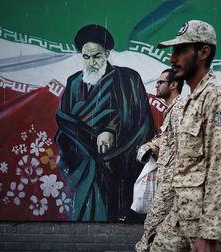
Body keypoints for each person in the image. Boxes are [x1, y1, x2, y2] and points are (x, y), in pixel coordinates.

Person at [149, 20, 221, 252]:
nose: (172, 59)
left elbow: (220, 166)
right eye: (173, 51)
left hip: (203, 224)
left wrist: (210, 232)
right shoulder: (193, 99)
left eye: (181, 50)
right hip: (182, 214)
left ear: (203, 52)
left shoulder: (216, 97)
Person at [55, 24, 155, 222]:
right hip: (84, 162)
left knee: (120, 211)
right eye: (86, 57)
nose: (91, 62)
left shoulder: (128, 79)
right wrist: (87, 140)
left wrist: (111, 130)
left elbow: (140, 120)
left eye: (97, 56)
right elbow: (65, 122)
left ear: (107, 53)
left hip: (121, 160)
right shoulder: (74, 82)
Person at [134, 69, 184, 252]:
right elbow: (169, 138)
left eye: (160, 82)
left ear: (173, 85)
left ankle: (143, 250)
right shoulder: (172, 109)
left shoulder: (179, 109)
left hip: (174, 181)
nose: (156, 85)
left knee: (153, 223)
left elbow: (185, 144)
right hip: (170, 179)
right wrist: (153, 145)